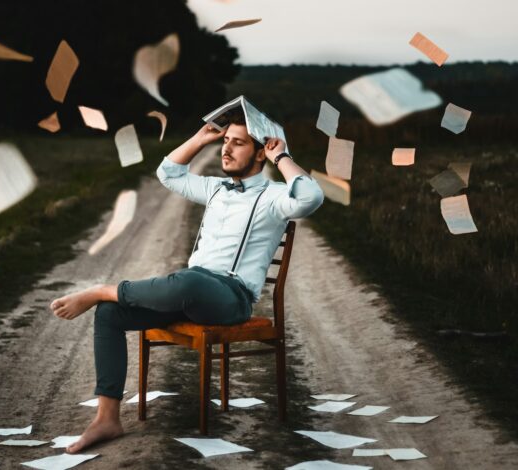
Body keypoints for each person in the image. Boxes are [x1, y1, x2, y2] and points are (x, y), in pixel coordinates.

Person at [49, 110, 324, 453]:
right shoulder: (215, 189)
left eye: (237, 144)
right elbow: (168, 173)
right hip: (191, 290)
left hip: (230, 297)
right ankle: (107, 419)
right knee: (110, 314)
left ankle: (104, 290)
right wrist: (201, 138)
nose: (226, 150)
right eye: (225, 141)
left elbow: (311, 197)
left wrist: (281, 156)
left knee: (185, 283)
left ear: (260, 152)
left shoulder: (274, 196)